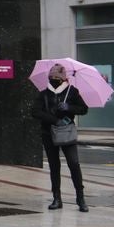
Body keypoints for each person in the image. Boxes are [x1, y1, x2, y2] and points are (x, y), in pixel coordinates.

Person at [30, 63, 88, 212]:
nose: (53, 80)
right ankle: (57, 198)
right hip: (48, 134)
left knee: (74, 164)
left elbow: (84, 109)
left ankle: (80, 198)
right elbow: (35, 112)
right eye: (51, 77)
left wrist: (69, 108)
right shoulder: (44, 94)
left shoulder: (72, 92)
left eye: (56, 77)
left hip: (67, 133)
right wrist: (54, 120)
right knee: (54, 166)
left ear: (63, 79)